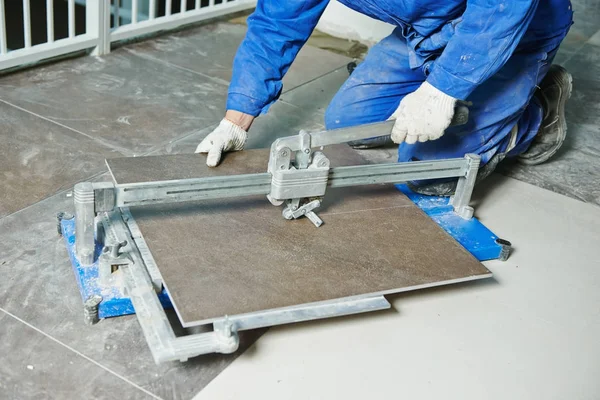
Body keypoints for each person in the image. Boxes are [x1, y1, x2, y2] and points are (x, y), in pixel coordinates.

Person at [195, 0, 574, 195]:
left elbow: (502, 7)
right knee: (349, 125)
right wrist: (236, 119)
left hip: (509, 29)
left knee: (431, 171)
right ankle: (436, 79)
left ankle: (537, 111)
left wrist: (444, 89)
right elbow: (276, 24)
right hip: (430, 28)